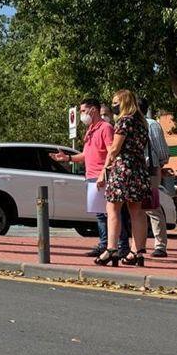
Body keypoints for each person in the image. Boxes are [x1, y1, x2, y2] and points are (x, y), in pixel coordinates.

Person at [50, 98, 126, 257]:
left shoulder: (106, 128)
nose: (82, 114)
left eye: (84, 111)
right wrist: (68, 159)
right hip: (91, 176)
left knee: (110, 213)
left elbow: (112, 151)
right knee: (100, 213)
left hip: (102, 176)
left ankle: (120, 246)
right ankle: (105, 245)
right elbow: (86, 154)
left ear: (93, 110)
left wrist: (104, 174)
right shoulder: (91, 129)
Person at [95, 90, 151, 267]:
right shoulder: (142, 123)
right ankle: (137, 252)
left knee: (112, 208)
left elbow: (114, 148)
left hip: (123, 169)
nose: (113, 106)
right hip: (138, 169)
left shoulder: (124, 121)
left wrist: (104, 168)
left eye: (115, 102)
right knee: (137, 211)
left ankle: (111, 250)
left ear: (124, 102)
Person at [139, 98, 171, 257]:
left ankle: (160, 245)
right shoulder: (131, 125)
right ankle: (139, 245)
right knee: (137, 209)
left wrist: (159, 165)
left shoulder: (151, 124)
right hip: (136, 169)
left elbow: (162, 152)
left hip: (149, 169)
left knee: (151, 207)